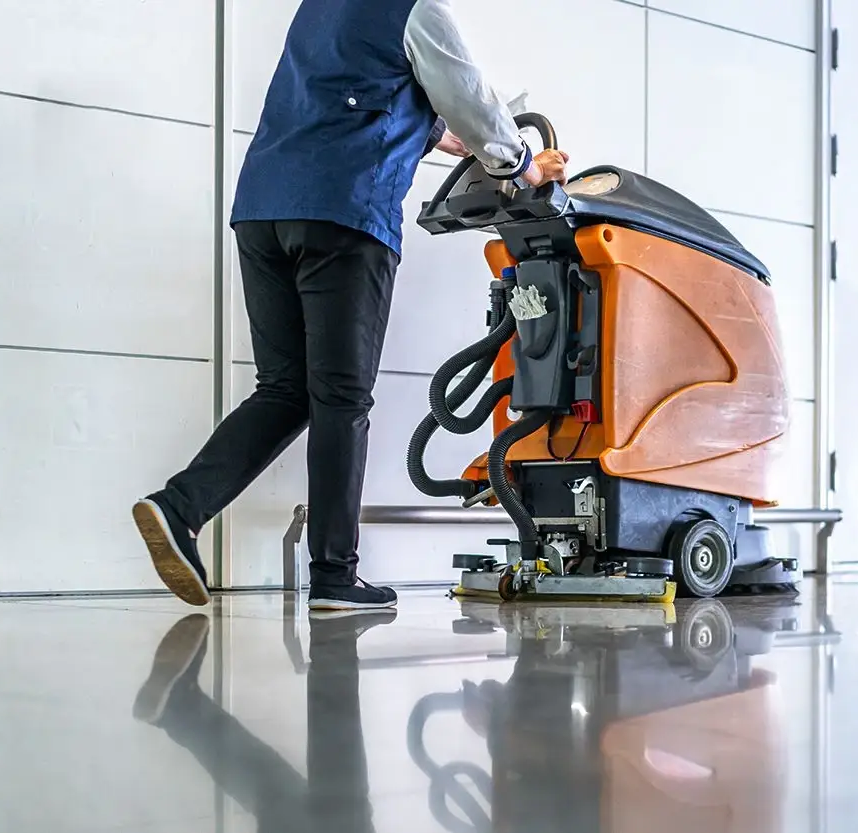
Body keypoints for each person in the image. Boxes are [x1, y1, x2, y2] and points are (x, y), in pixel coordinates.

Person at [131, 0, 570, 612]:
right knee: (342, 399)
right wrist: (523, 165)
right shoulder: (414, 9)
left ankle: (177, 508)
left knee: (285, 390)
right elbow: (469, 98)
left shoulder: (319, 10)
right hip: (345, 213)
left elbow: (377, 96)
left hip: (263, 208)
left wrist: (457, 142)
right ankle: (335, 578)